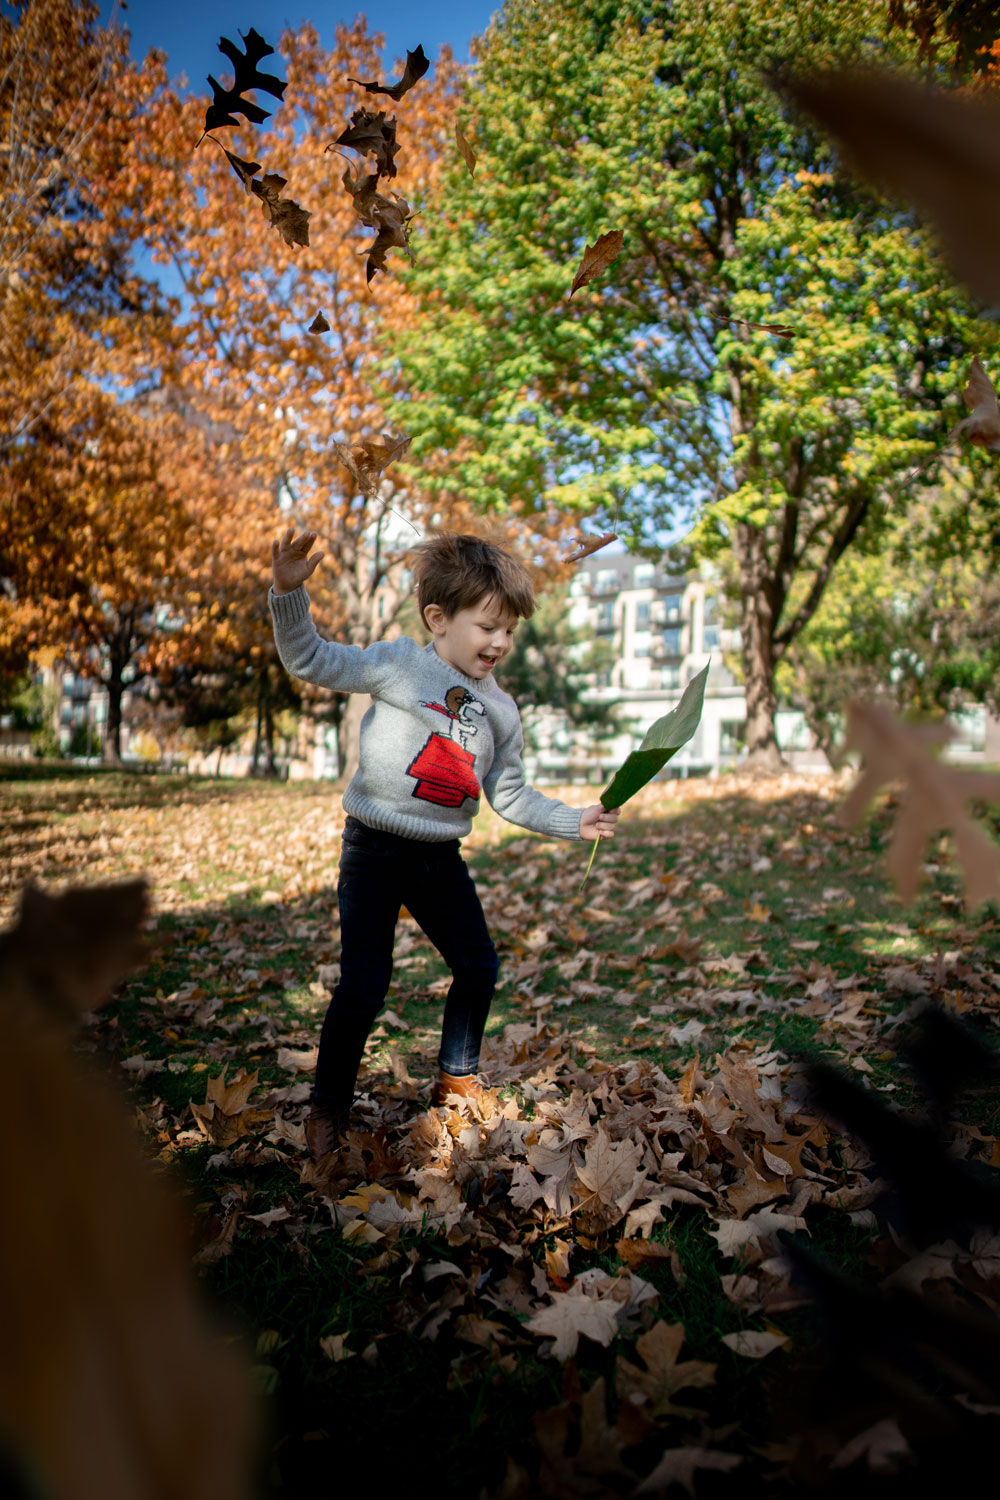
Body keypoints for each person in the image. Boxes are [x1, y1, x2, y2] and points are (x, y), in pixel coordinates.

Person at [268, 527, 619, 1159]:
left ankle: (456, 1080)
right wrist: (288, 595)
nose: (501, 642)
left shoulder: (503, 713)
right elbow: (311, 660)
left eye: (509, 630)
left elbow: (508, 795)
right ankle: (327, 1110)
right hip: (373, 849)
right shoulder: (402, 664)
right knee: (365, 985)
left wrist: (576, 820)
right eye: (488, 627)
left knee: (479, 966)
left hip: (438, 859)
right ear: (438, 618)